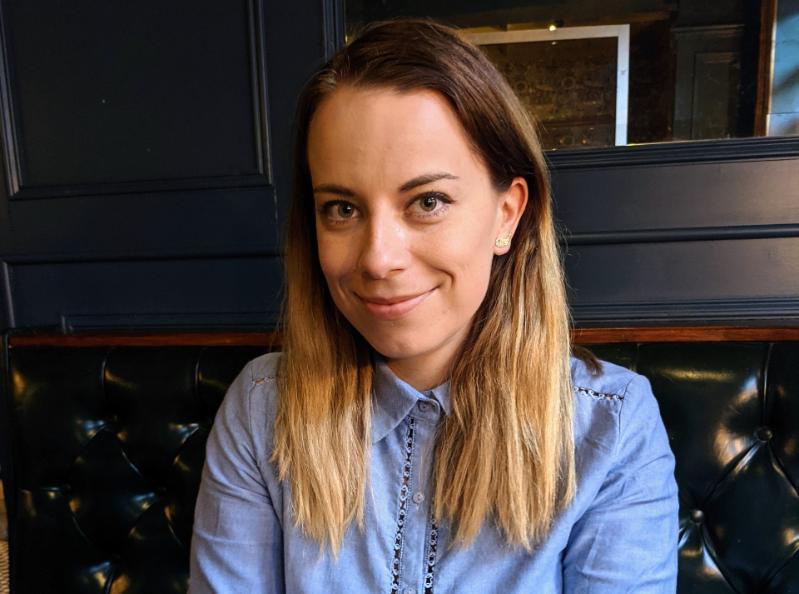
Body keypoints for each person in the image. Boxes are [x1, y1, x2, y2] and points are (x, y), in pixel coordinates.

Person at [189, 18, 678, 593]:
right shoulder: (261, 409)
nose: (378, 259)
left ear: (506, 214)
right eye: (342, 209)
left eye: (427, 201)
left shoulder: (610, 427)